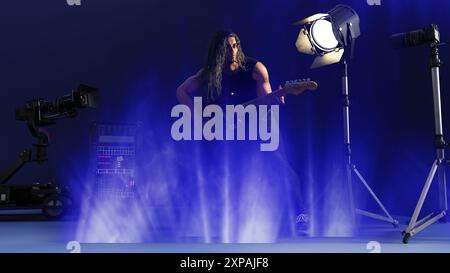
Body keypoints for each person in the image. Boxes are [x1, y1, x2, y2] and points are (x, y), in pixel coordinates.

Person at [176, 30, 284, 109]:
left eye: (234, 46)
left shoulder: (256, 69)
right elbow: (181, 91)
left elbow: (266, 102)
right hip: (218, 127)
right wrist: (198, 118)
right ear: (219, 51)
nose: (232, 51)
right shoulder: (212, 71)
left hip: (248, 126)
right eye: (227, 47)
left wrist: (275, 101)